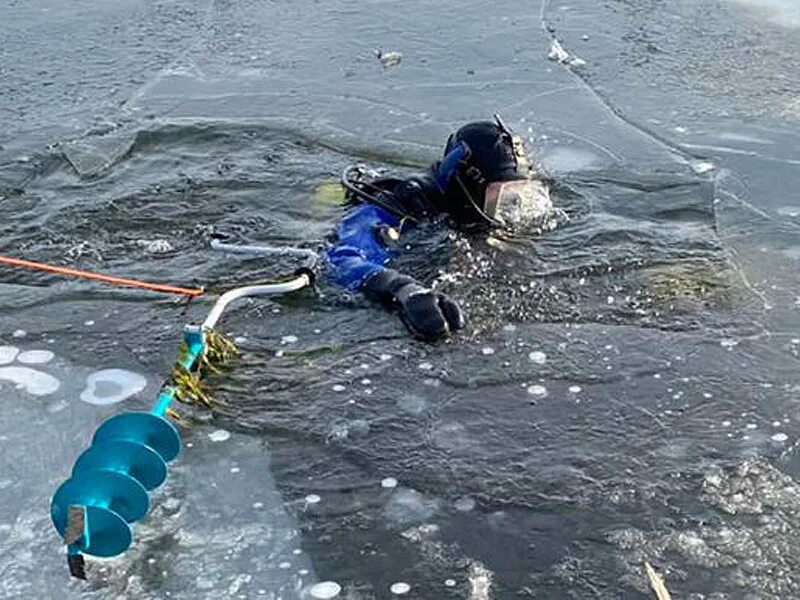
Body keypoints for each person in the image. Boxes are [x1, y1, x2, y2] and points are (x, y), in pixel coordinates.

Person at [324, 115, 554, 341]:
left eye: (521, 195)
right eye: (502, 198)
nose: (513, 210)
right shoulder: (400, 205)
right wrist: (403, 289)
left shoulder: (478, 209)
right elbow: (342, 259)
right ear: (471, 184)